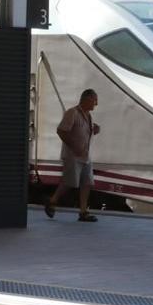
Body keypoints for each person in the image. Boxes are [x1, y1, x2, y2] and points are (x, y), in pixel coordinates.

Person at [44, 89, 101, 222]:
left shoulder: (88, 116)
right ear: (86, 99)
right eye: (94, 100)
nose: (96, 104)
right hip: (73, 155)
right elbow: (61, 131)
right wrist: (74, 146)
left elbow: (83, 131)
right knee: (69, 182)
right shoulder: (72, 113)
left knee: (87, 183)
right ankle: (52, 201)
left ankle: (83, 212)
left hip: (85, 156)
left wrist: (95, 129)